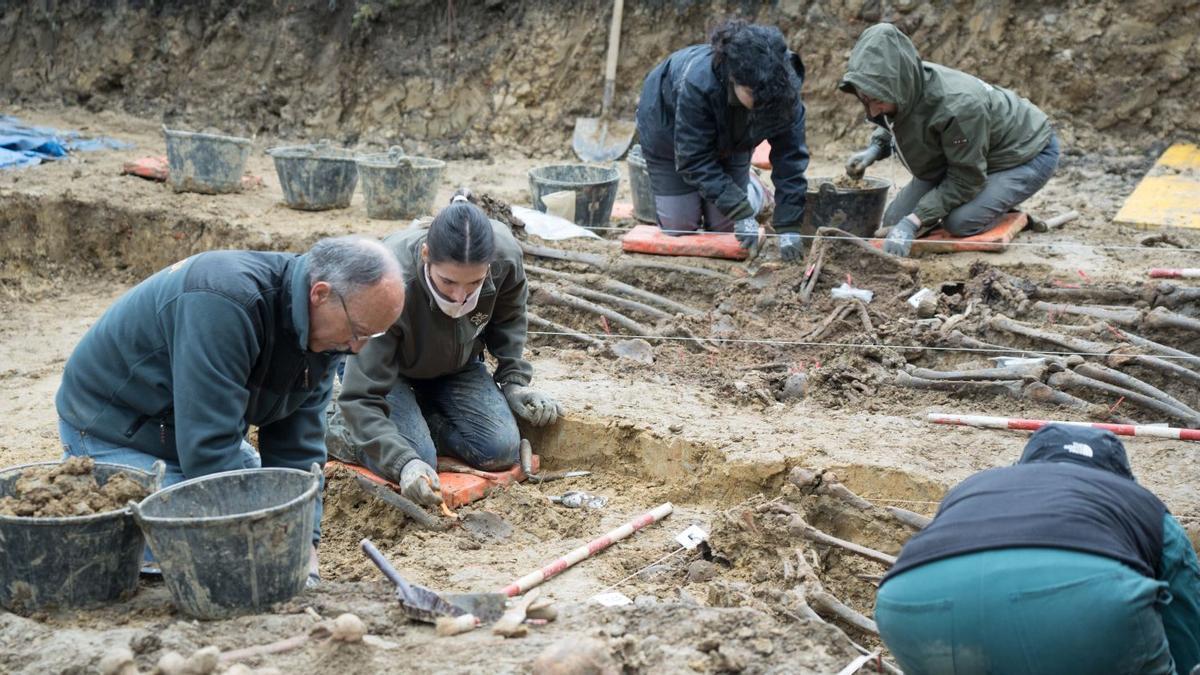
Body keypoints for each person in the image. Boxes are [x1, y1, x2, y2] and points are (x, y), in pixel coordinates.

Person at [56, 236, 405, 580]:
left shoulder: (326, 333)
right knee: (200, 551)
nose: (357, 348)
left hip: (182, 429)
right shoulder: (224, 301)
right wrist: (255, 550)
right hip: (115, 427)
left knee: (262, 504)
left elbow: (297, 445)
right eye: (358, 331)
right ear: (321, 293)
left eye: (370, 337)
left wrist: (303, 544)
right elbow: (208, 447)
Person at [876, 424, 1200, 674]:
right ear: (1122, 476)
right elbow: (1185, 613)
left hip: (911, 603)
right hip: (1093, 603)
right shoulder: (1140, 502)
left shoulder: (976, 485)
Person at [333, 194, 561, 508]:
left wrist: (513, 382)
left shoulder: (505, 258)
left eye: (473, 284)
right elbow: (362, 396)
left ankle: (417, 418)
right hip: (384, 370)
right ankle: (336, 423)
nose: (459, 296)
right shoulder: (386, 283)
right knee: (417, 458)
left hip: (453, 364)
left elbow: (509, 318)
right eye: (448, 281)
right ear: (427, 254)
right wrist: (404, 464)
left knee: (499, 449)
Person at [838, 23, 1060, 257]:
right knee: (894, 220)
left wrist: (915, 221)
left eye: (876, 100)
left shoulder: (959, 106)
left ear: (896, 87)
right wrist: (875, 148)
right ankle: (979, 200)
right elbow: (899, 119)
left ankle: (1003, 209)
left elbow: (966, 178)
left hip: (1025, 153)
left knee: (960, 222)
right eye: (865, 100)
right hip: (967, 155)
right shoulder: (903, 85)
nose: (873, 112)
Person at [634, 19, 810, 261]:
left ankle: (756, 190)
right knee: (680, 227)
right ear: (734, 78)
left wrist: (789, 226)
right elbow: (693, 158)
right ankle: (741, 192)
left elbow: (791, 158)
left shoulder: (783, 88)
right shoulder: (698, 83)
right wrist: (739, 209)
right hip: (668, 132)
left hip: (736, 140)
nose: (760, 101)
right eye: (752, 94)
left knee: (725, 228)